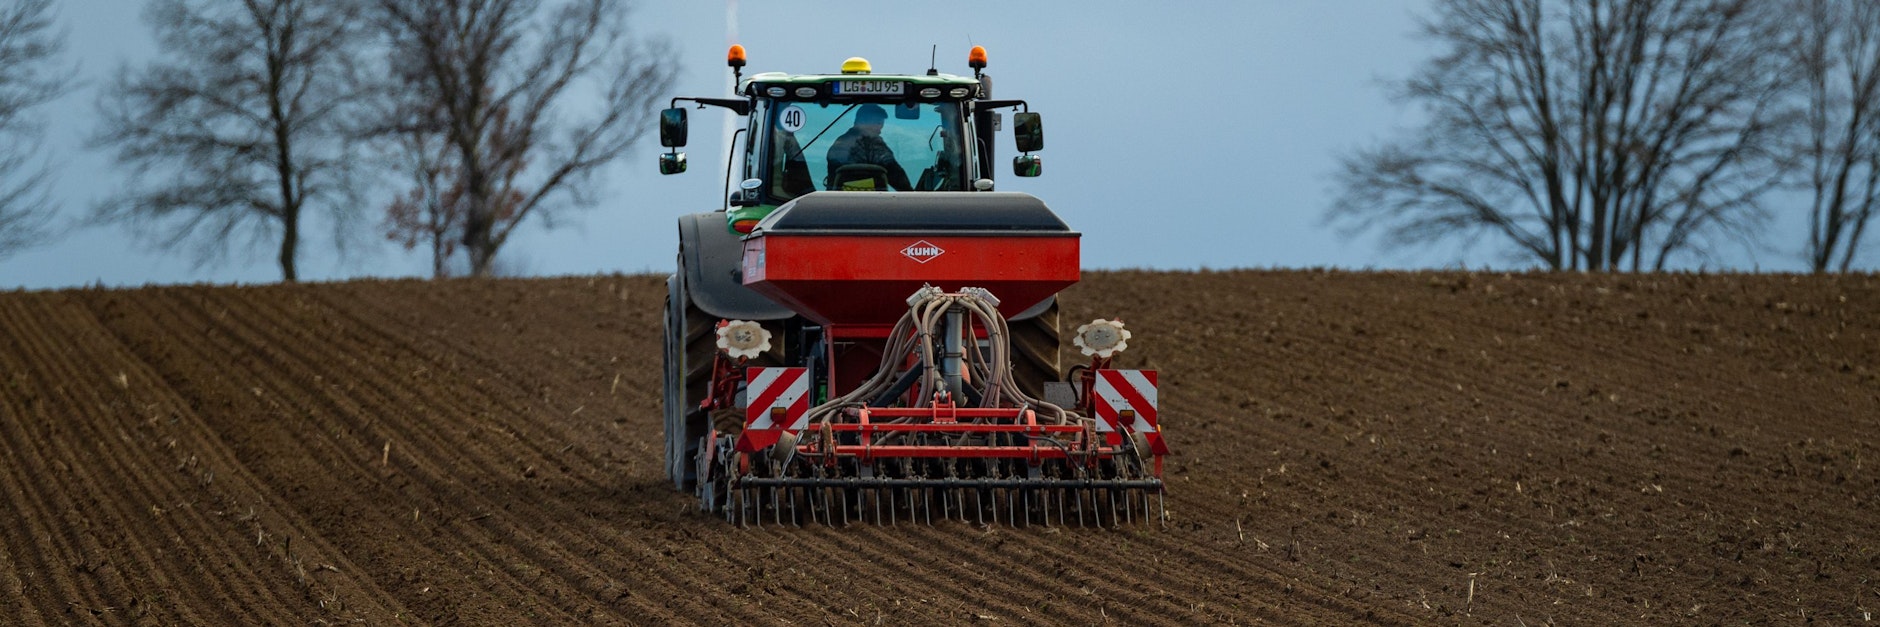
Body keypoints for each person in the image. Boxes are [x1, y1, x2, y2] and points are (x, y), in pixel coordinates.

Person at [824, 104, 912, 191]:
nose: (879, 130)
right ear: (863, 122)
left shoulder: (838, 145)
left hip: (837, 202)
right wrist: (910, 195)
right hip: (876, 202)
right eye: (878, 124)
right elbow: (896, 175)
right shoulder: (875, 147)